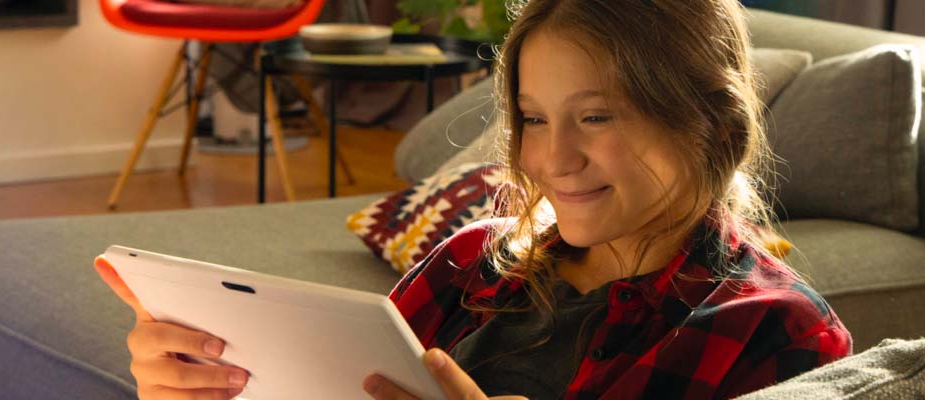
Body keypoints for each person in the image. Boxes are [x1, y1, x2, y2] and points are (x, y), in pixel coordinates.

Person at [95, 0, 851, 399]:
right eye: (533, 119)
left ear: (712, 125)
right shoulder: (469, 263)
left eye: (596, 117)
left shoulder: (778, 335)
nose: (551, 159)